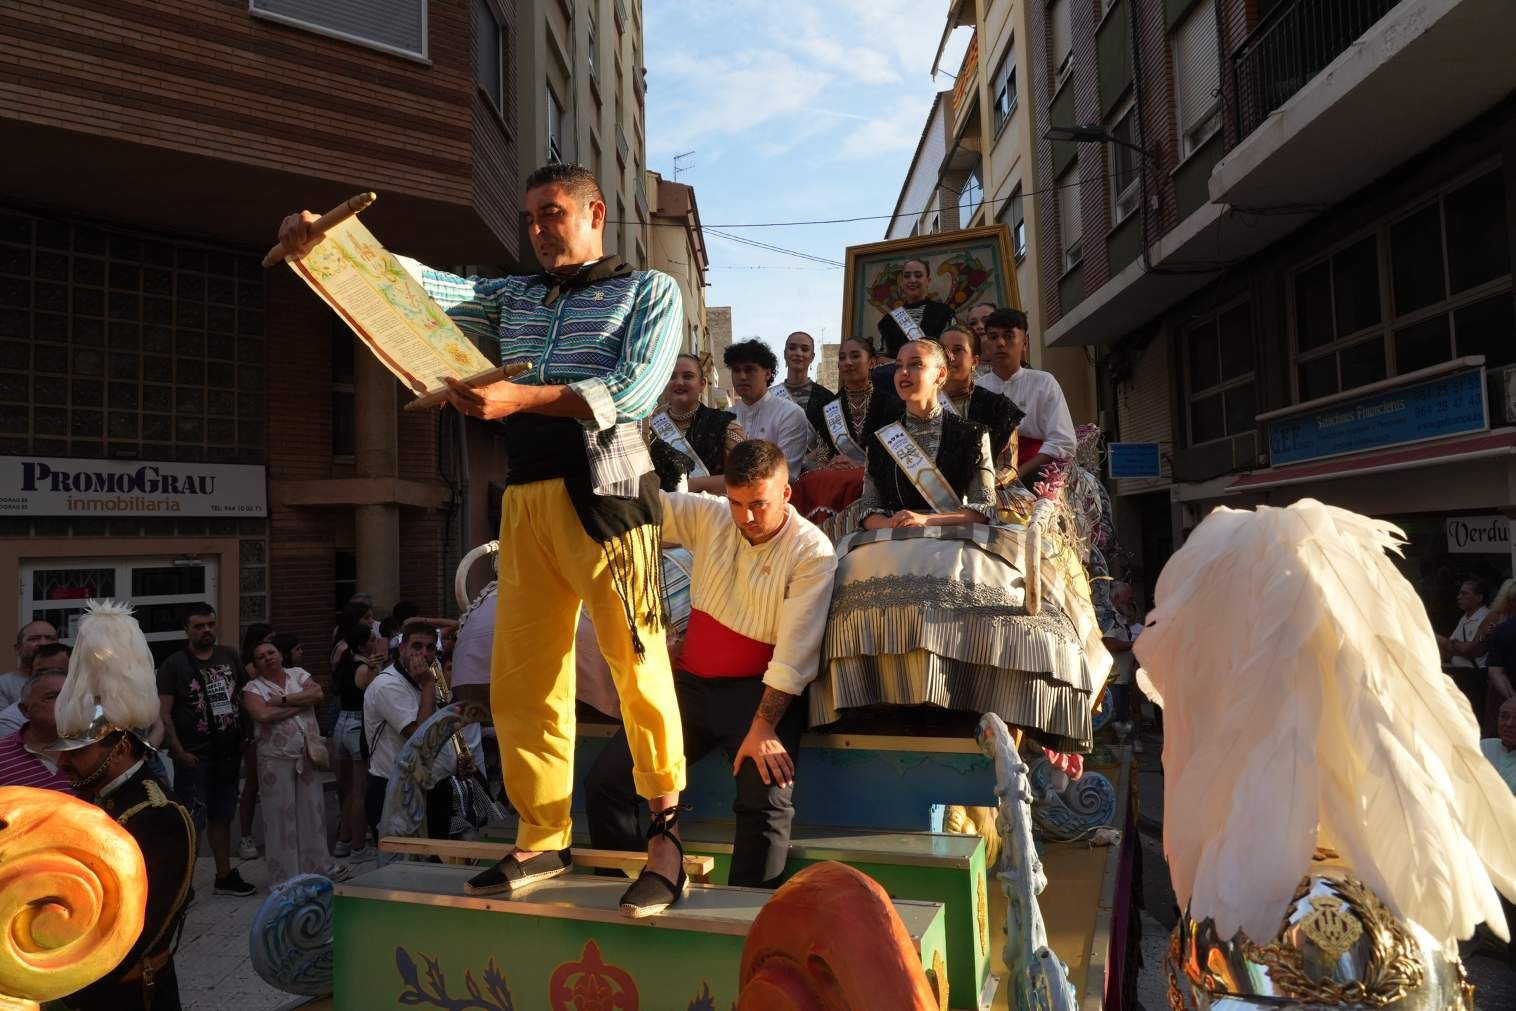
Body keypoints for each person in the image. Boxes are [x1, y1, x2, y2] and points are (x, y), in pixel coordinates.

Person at [282, 162, 688, 915]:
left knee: (638, 665)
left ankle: (666, 836)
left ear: (595, 212)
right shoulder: (515, 294)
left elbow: (632, 391)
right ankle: (541, 831)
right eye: (530, 216)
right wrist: (326, 245)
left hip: (612, 494)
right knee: (524, 675)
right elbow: (431, 287)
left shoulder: (648, 290)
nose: (536, 228)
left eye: (552, 212)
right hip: (526, 494)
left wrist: (519, 395)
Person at [809, 340, 1099, 753]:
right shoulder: (881, 439)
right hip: (889, 537)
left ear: (940, 375)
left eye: (916, 365)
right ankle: (866, 702)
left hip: (958, 533)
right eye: (900, 367)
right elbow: (869, 509)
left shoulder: (972, 434)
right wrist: (888, 522)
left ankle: (985, 699)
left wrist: (924, 520)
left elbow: (981, 509)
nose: (904, 373)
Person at [588, 440, 837, 889]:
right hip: (691, 689)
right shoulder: (712, 515)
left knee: (767, 798)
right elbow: (647, 504)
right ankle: (621, 884)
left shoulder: (813, 551)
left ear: (786, 494)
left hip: (759, 695)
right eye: (736, 502)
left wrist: (763, 728)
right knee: (608, 781)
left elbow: (795, 654)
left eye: (758, 504)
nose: (744, 517)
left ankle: (748, 917)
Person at [50, 600, 195, 1011]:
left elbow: (135, 933)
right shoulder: (97, 802)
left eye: (78, 751)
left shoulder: (157, 815)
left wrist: (63, 988)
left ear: (121, 749)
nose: (63, 760)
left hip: (131, 994)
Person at [155, 603, 254, 897]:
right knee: (191, 822)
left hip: (228, 752)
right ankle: (183, 884)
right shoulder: (174, 664)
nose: (206, 630)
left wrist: (246, 735)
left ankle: (224, 875)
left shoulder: (229, 656)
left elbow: (243, 695)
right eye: (199, 626)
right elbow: (165, 712)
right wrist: (179, 751)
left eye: (210, 624)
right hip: (194, 756)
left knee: (222, 816)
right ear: (187, 629)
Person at [241, 640, 350, 886]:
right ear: (255, 664)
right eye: (261, 656)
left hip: (307, 755)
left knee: (312, 813)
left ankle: (318, 868)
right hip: (275, 761)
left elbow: (318, 693)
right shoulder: (252, 688)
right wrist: (301, 704)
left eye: (271, 652)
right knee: (280, 817)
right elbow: (262, 715)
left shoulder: (298, 674)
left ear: (280, 654)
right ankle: (285, 877)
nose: (268, 657)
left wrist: (281, 701)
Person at [362, 623, 450, 845]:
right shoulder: (388, 685)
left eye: (430, 648)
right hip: (399, 792)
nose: (423, 654)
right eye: (416, 646)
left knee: (437, 863)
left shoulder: (421, 678)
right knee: (406, 869)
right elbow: (421, 737)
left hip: (432, 787)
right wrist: (430, 684)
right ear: (401, 649)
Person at [977, 308, 1076, 486]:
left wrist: (1016, 474)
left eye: (1008, 336)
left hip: (1034, 477)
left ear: (1024, 343)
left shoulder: (1044, 382)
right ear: (986, 344)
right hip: (985, 477)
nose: (1000, 343)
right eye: (993, 337)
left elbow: (1063, 441)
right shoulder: (977, 387)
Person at [793, 335, 878, 524]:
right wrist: (831, 463)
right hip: (837, 474)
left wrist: (862, 465)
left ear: (871, 362)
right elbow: (824, 451)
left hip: (874, 475)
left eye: (855, 356)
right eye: (842, 358)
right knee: (810, 482)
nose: (848, 362)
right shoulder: (829, 407)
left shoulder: (891, 404)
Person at [648, 352, 746, 494]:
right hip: (662, 512)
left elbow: (745, 477)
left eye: (688, 376)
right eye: (672, 376)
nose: (679, 382)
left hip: (711, 512)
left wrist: (689, 485)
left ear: (702, 384)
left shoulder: (726, 425)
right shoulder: (649, 426)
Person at [724, 338, 813, 477]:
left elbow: (785, 475)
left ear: (767, 374)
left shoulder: (789, 414)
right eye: (736, 370)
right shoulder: (726, 416)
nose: (742, 376)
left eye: (749, 369)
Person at [940, 326, 1023, 467]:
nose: (949, 357)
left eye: (957, 350)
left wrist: (979, 485)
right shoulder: (920, 402)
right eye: (943, 351)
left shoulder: (998, 408)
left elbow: (1008, 468)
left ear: (975, 361)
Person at [332, 624, 381, 860]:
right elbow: (372, 695)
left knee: (348, 789)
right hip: (358, 724)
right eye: (372, 638)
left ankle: (343, 841)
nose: (376, 641)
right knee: (359, 790)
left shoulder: (343, 664)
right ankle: (359, 846)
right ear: (363, 645)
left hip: (341, 723)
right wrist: (375, 669)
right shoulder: (363, 668)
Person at [0, 666, 73, 791]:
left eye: (71, 696)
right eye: (52, 697)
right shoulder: (2, 754)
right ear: (25, 710)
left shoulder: (97, 744)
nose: (65, 702)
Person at [235, 622, 272, 860]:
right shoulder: (249, 669)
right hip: (252, 731)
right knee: (253, 783)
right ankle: (245, 836)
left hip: (271, 730)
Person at [875, 259, 955, 359]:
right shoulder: (888, 321)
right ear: (902, 282)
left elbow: (953, 351)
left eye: (918, 275)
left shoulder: (945, 313)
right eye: (907, 276)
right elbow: (881, 358)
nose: (912, 280)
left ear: (928, 281)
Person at [1437, 578, 1491, 718]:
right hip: (1462, 674)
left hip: (1475, 677)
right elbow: (1452, 648)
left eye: (1464, 593)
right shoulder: (1465, 618)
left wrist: (1442, 639)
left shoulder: (1486, 618)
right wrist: (1454, 645)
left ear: (1479, 597)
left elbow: (1469, 649)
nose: (1459, 597)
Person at [0, 640, 71, 738]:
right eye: (42, 672)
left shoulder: (93, 708)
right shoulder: (10, 720)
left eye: (59, 672)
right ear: (30, 674)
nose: (51, 679)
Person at [0, 618, 58, 708]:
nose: (43, 643)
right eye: (34, 639)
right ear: (18, 649)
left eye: (50, 638)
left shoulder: (71, 681)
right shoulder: (3, 685)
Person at [774, 331, 833, 412]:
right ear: (785, 354)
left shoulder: (827, 398)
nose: (798, 353)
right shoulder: (770, 396)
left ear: (812, 357)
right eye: (792, 348)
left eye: (804, 349)